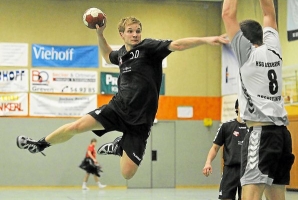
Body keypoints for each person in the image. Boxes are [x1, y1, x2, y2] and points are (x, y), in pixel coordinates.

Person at [16, 15, 228, 180]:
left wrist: (208, 39)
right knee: (78, 126)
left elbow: (179, 44)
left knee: (127, 173)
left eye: (137, 31)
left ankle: (120, 145)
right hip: (117, 108)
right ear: (122, 34)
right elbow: (107, 54)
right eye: (130, 31)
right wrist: (99, 35)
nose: (135, 34)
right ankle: (41, 144)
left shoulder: (148, 48)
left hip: (141, 120)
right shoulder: (122, 55)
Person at [221, 0, 295, 200]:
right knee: (277, 197)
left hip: (261, 135)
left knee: (250, 196)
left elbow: (227, 14)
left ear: (243, 40)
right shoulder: (273, 48)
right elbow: (269, 14)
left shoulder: (247, 55)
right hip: (282, 135)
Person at [203, 99, 248, 200]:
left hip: (248, 170)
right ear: (237, 107)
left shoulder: (254, 127)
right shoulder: (227, 126)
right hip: (230, 169)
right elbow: (215, 147)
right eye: (243, 104)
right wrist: (208, 162)